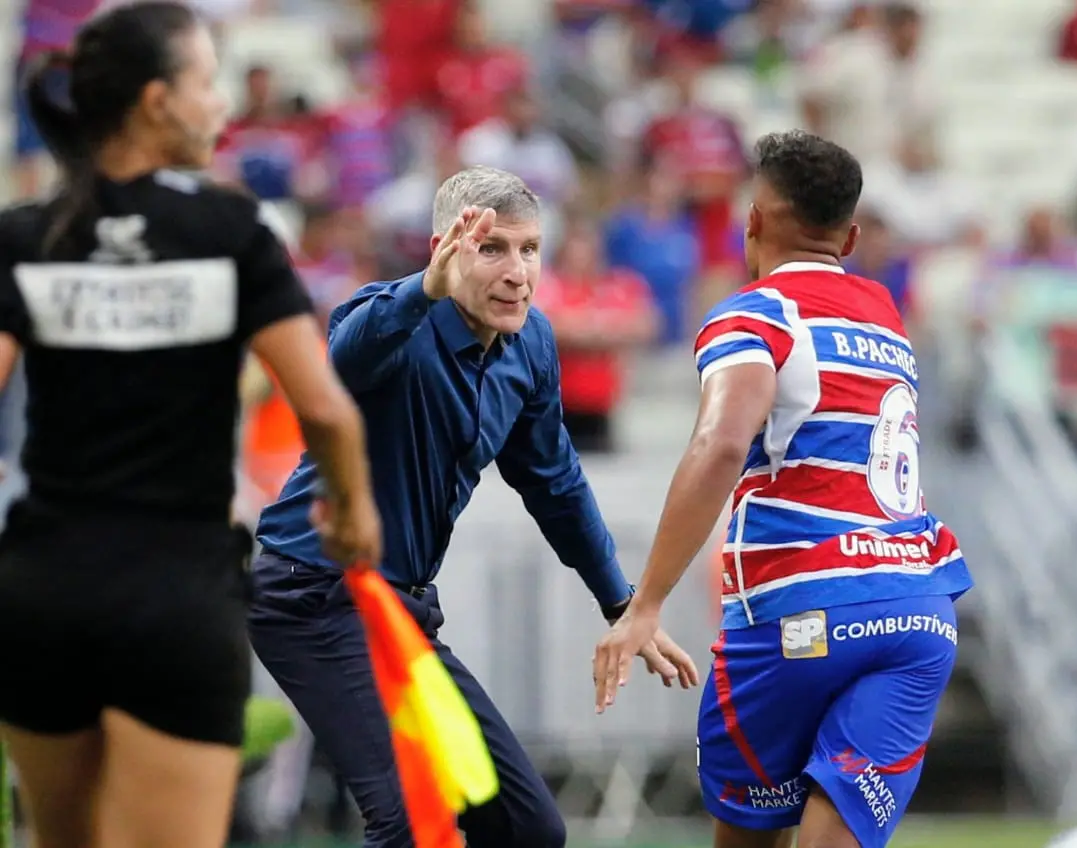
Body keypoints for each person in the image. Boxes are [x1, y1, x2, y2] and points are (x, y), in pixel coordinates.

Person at [0, 4, 381, 848]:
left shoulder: (25, 235)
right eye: (207, 83)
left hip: (40, 595)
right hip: (175, 600)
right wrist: (351, 512)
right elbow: (324, 409)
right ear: (156, 102)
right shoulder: (230, 232)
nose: (221, 106)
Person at [248, 165, 701, 848]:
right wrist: (422, 290)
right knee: (406, 819)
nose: (517, 271)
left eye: (529, 249)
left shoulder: (532, 343)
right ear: (444, 251)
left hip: (399, 610)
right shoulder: (395, 317)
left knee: (528, 830)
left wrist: (623, 604)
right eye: (491, 248)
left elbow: (555, 483)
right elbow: (339, 363)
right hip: (311, 593)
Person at [593, 130, 974, 848]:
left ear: (754, 221)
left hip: (799, 612)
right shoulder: (886, 318)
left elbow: (722, 443)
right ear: (852, 235)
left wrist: (644, 603)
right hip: (915, 610)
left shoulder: (755, 313)